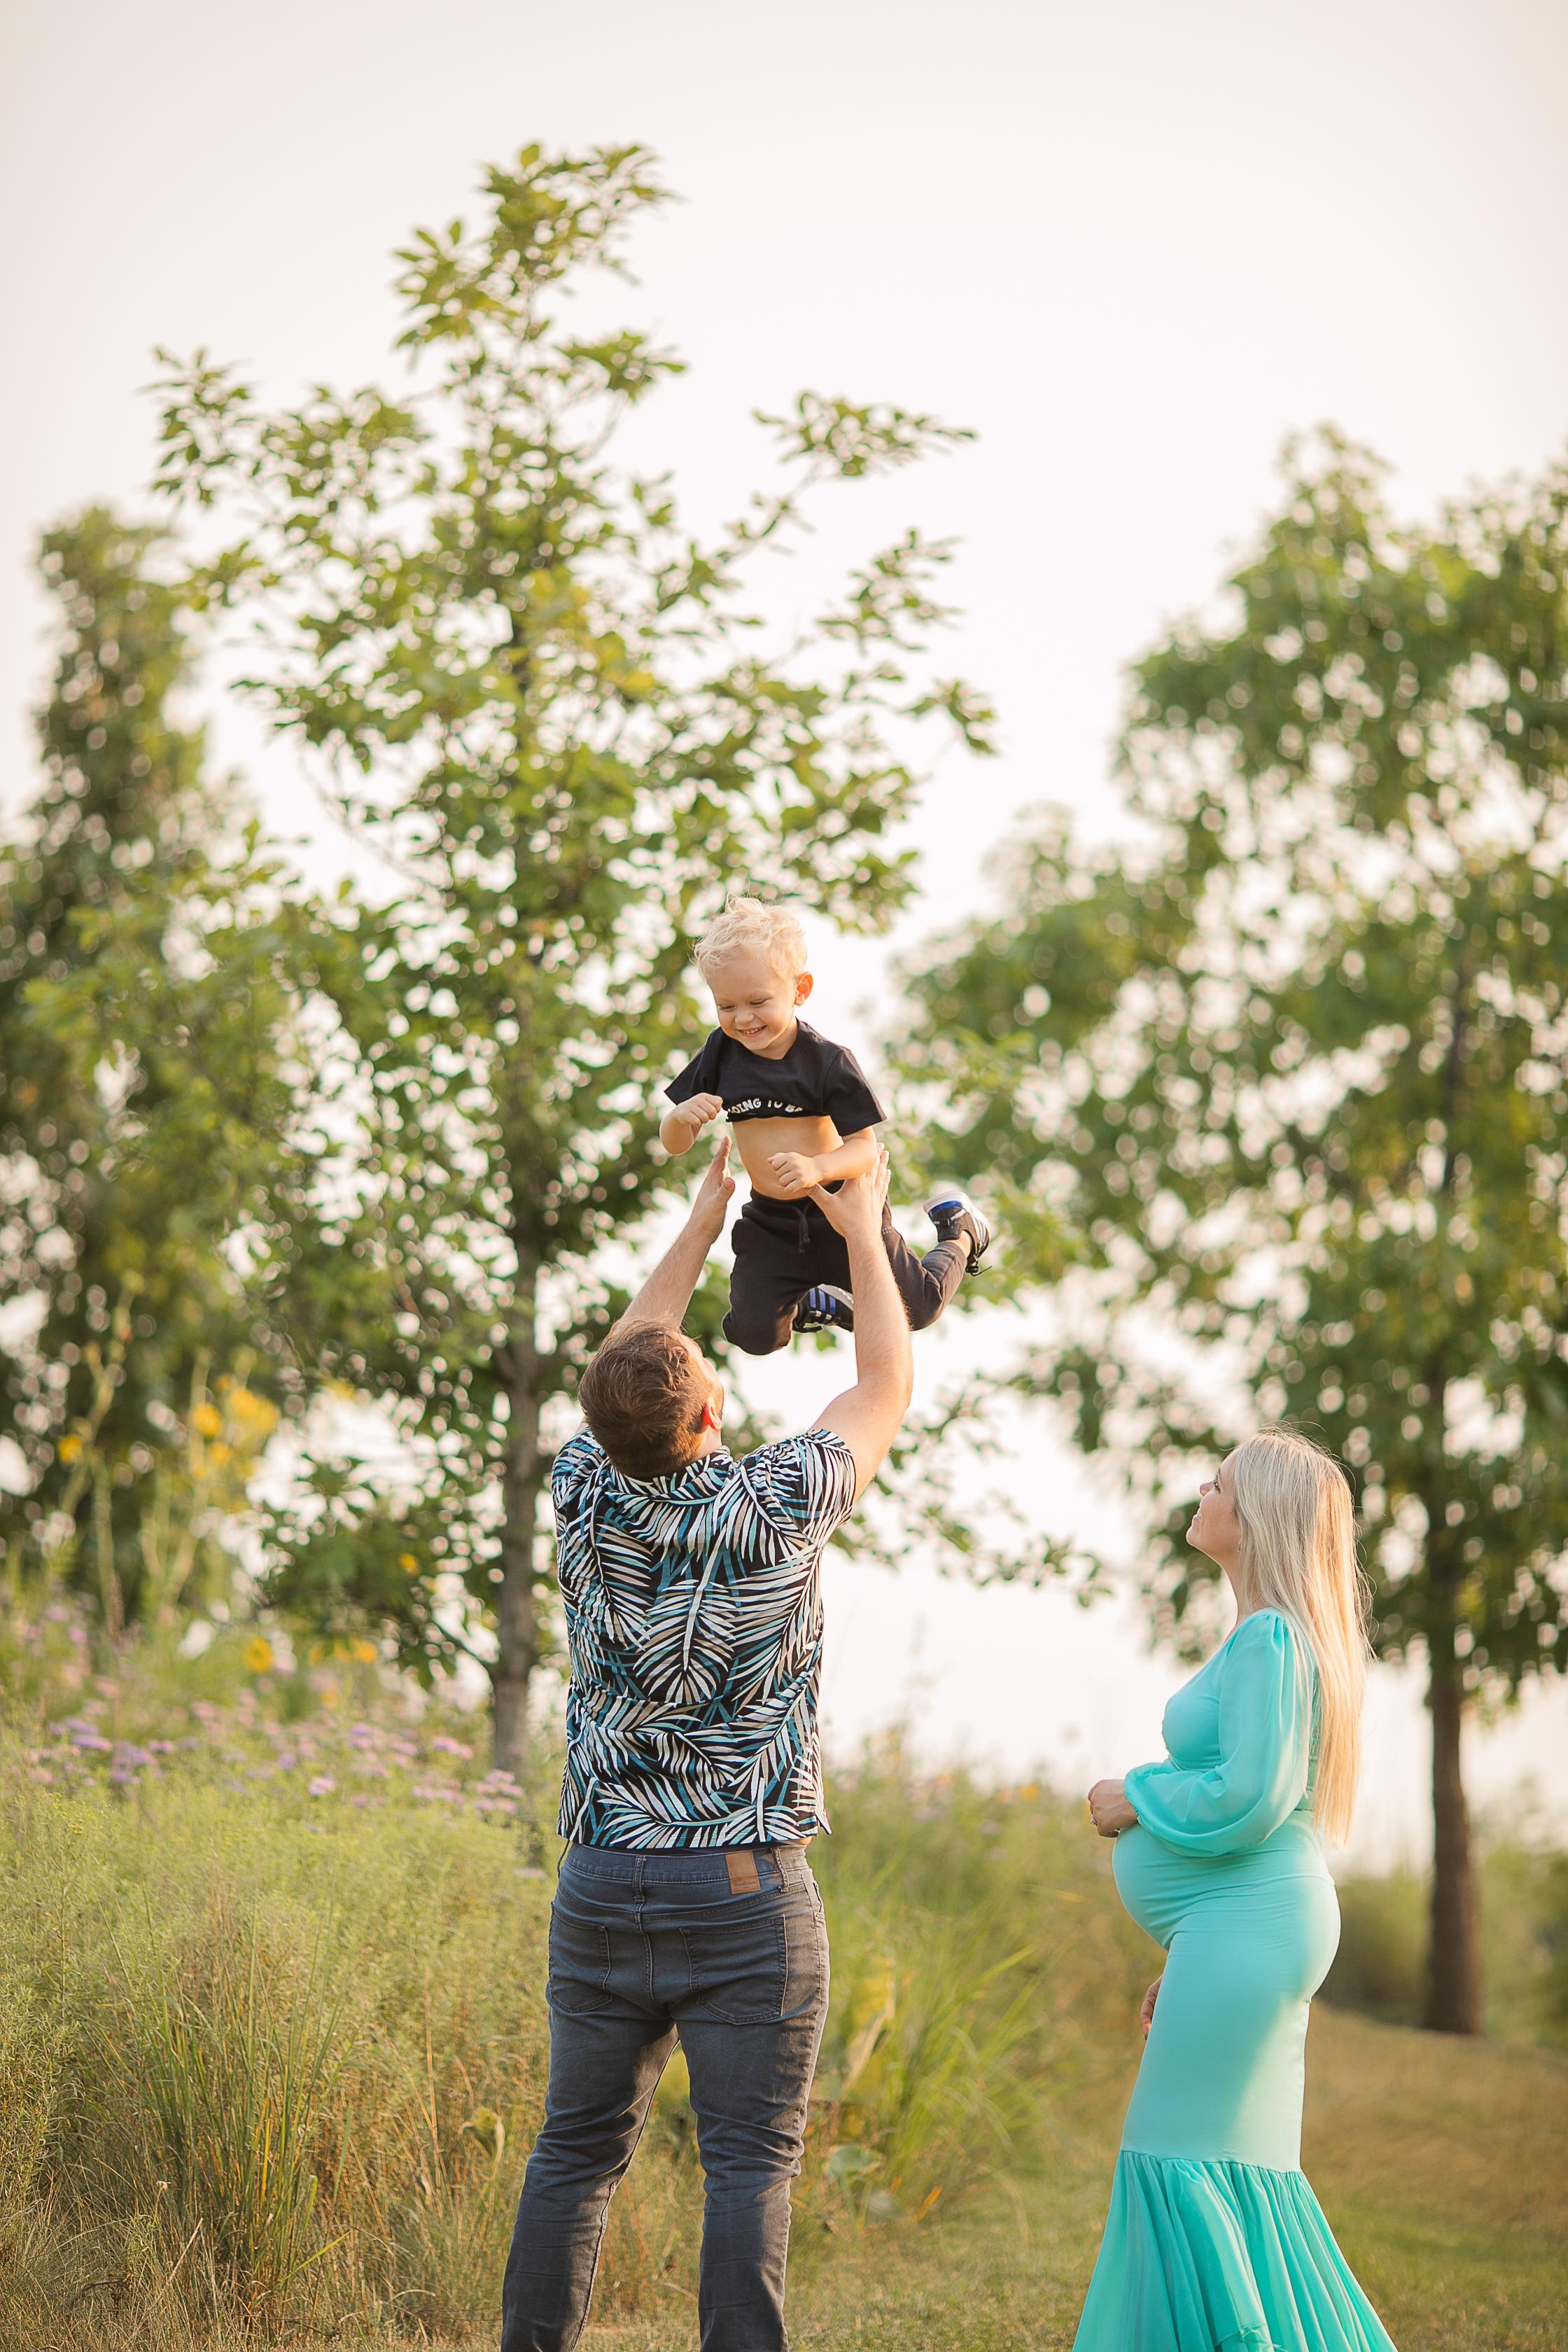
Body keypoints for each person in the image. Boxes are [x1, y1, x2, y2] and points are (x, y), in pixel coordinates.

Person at [499, 1136, 912, 2352]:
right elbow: (884, 1380)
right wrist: (862, 1228)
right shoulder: (778, 1502)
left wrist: (701, 1219)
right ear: (713, 1409)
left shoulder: (585, 1490)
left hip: (603, 1881)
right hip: (743, 1893)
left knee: (573, 2155)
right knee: (747, 2169)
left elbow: (625, 1365)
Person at [1077, 1429, 1399, 2352]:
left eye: (1216, 1482)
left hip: (1252, 1928)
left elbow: (1253, 1797)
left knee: (1172, 2159)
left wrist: (1131, 1797)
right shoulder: (1278, 1638)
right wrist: (1196, 1957)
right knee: (1237, 2168)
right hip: (1242, 1935)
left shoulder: (1269, 1639)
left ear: (1250, 1516)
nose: (1203, 1492)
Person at [660, 895, 988, 1349]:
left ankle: (962, 1232)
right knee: (752, 1335)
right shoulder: (720, 1054)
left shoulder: (826, 1062)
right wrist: (680, 1118)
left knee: (916, 1310)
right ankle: (820, 1302)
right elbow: (675, 1143)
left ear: (800, 990)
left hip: (841, 1205)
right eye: (726, 1006)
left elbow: (865, 1149)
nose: (743, 1018)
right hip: (771, 1220)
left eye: (757, 1001)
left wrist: (818, 1168)